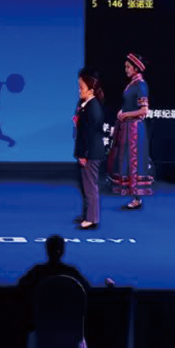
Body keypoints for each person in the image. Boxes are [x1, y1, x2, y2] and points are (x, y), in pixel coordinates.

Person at [108, 53, 153, 209]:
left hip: (134, 128)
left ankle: (137, 198)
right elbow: (129, 104)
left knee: (135, 162)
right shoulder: (133, 84)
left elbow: (144, 110)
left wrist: (126, 114)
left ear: (135, 68)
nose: (126, 69)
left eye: (128, 67)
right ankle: (134, 196)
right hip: (127, 127)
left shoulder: (140, 84)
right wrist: (122, 112)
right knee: (127, 162)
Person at [73, 70, 106, 230]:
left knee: (90, 186)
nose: (79, 90)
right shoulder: (85, 105)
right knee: (84, 185)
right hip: (86, 152)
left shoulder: (93, 107)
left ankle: (92, 218)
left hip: (91, 153)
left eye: (82, 87)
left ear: (91, 90)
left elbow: (90, 134)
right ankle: (86, 214)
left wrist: (84, 154)